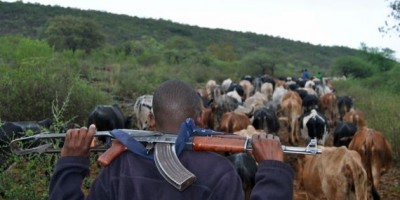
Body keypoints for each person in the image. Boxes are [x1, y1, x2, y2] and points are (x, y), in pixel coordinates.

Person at [49, 79, 294, 200]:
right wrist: (272, 173)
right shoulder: (221, 173)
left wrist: (70, 164)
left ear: (151, 119)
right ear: (200, 118)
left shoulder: (118, 170)